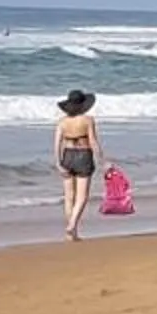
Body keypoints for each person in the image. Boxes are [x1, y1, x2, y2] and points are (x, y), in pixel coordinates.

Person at [53, 90, 101, 240]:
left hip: (67, 155)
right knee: (82, 197)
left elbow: (57, 143)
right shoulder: (88, 120)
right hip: (83, 155)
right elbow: (93, 141)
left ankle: (72, 233)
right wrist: (102, 159)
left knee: (69, 197)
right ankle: (72, 225)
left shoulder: (62, 122)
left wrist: (58, 162)